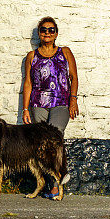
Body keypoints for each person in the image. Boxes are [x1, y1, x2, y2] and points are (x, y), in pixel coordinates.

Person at [22, 16, 79, 199]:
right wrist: (25, 109)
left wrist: (73, 100)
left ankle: (57, 181)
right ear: (39, 33)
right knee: (41, 143)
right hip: (38, 104)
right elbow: (28, 83)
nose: (47, 33)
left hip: (61, 103)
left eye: (51, 30)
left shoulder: (65, 52)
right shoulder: (32, 56)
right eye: (44, 30)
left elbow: (73, 77)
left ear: (56, 33)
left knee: (55, 136)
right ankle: (48, 181)